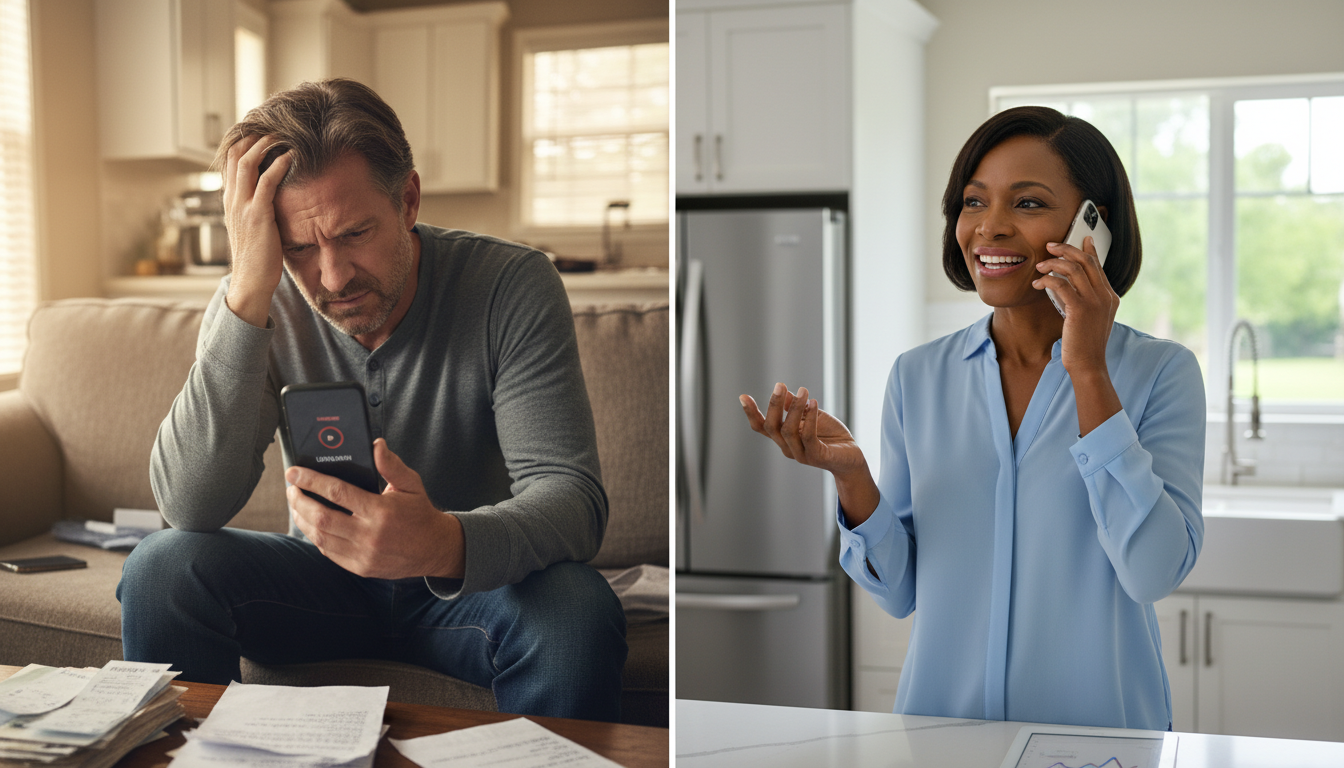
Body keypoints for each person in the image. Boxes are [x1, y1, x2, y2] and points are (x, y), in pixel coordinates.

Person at [117, 78, 627, 722]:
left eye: (355, 233)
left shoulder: (510, 284)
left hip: (473, 591)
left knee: (578, 609)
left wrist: (444, 542)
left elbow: (573, 500)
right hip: (318, 585)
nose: (332, 277)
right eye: (300, 247)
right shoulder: (260, 295)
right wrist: (247, 292)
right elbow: (189, 505)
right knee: (161, 568)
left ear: (407, 200)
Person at [741, 106, 1204, 730]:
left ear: (1092, 228)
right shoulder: (918, 377)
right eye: (973, 202)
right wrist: (854, 481)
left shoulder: (1161, 373)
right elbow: (899, 593)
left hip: (1099, 743)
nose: (990, 227)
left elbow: (1152, 573)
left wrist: (1088, 371)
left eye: (1028, 203)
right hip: (942, 737)